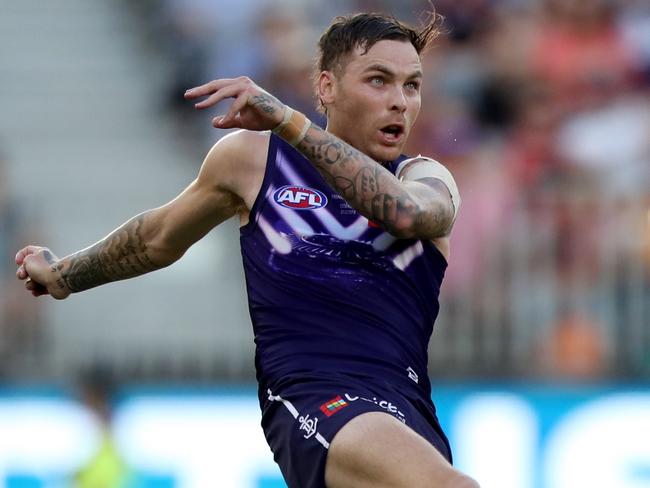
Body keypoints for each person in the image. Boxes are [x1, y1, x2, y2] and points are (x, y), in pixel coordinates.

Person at [15, 12, 478, 488]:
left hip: (409, 414)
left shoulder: (425, 179)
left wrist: (288, 120)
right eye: (379, 81)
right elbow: (157, 238)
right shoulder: (255, 160)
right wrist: (65, 275)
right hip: (318, 398)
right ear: (326, 88)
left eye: (412, 86)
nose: (399, 102)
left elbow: (403, 214)